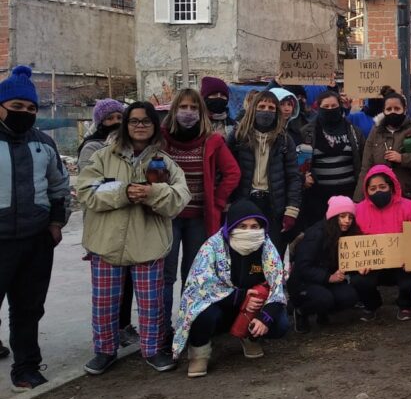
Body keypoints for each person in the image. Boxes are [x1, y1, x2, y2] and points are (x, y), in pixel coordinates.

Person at [78, 101, 191, 375]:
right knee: (105, 303)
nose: (140, 126)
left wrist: (153, 193)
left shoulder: (165, 162)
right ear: (126, 125)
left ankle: (153, 350)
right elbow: (86, 192)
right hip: (106, 243)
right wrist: (123, 192)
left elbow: (180, 198)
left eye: (146, 121)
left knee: (151, 304)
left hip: (148, 243)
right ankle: (105, 351)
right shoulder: (102, 157)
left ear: (155, 126)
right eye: (134, 121)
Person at [0, 66, 71, 389]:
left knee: (28, 308)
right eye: (17, 106)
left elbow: (59, 187)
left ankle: (26, 367)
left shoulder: (43, 144)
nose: (24, 113)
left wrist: (56, 223)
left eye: (31, 108)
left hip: (35, 240)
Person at [159, 88, 241, 350]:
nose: (188, 112)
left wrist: (217, 200)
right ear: (174, 110)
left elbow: (232, 172)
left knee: (193, 276)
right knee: (165, 276)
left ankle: (190, 328)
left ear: (201, 112)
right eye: (183, 107)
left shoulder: (212, 141)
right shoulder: (161, 139)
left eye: (194, 108)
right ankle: (162, 331)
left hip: (199, 219)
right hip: (167, 217)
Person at [173, 200, 290, 377]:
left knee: (279, 323)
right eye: (242, 226)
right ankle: (199, 352)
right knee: (201, 311)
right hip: (221, 304)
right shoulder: (212, 246)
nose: (249, 231)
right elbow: (199, 288)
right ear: (232, 226)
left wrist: (265, 317)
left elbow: (277, 285)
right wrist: (240, 297)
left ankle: (249, 336)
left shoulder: (266, 246)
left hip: (252, 305)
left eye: (254, 226)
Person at [78, 99, 138, 347]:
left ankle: (124, 326)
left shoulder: (132, 147)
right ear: (99, 122)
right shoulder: (92, 148)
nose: (115, 122)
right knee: (107, 288)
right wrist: (125, 190)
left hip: (130, 224)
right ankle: (107, 337)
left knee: (129, 281)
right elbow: (90, 188)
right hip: (103, 224)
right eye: (109, 118)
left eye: (119, 117)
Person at [228, 90, 302, 255]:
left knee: (272, 255)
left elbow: (293, 177)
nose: (266, 111)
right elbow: (225, 171)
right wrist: (227, 202)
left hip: (274, 206)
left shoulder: (284, 140)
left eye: (271, 108)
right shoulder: (238, 136)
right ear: (253, 109)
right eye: (261, 106)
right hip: (244, 202)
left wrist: (291, 210)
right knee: (244, 254)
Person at [349, 165, 411, 320]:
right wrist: (359, 262)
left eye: (382, 187)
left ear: (391, 186)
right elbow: (354, 241)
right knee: (358, 280)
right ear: (366, 190)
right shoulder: (358, 210)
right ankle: (371, 305)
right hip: (372, 264)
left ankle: (405, 305)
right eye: (373, 188)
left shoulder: (408, 206)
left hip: (401, 264)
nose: (378, 192)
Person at [288, 195, 361, 333]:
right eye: (342, 216)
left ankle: (323, 311)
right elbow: (303, 267)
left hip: (328, 279)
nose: (347, 221)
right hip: (304, 282)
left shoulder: (349, 234)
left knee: (350, 296)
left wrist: (358, 267)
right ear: (333, 217)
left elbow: (348, 261)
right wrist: (328, 277)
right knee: (324, 299)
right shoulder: (315, 234)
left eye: (350, 217)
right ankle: (301, 311)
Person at [355, 91, 411, 205]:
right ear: (383, 111)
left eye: (397, 109)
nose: (393, 112)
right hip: (382, 198)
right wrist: (358, 199)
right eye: (389, 109)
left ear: (404, 109)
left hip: (409, 196)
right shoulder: (376, 132)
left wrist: (402, 158)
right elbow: (366, 168)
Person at [298, 90, 363, 226]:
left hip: (348, 196)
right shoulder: (307, 132)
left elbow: (362, 161)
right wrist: (303, 176)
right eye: (326, 106)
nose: (330, 109)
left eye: (334, 106)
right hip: (318, 199)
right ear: (318, 108)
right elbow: (298, 163)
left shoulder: (354, 131)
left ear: (340, 107)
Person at [271, 87, 307, 151]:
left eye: (289, 104)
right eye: (282, 104)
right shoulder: (266, 132)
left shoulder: (297, 130)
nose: (287, 109)